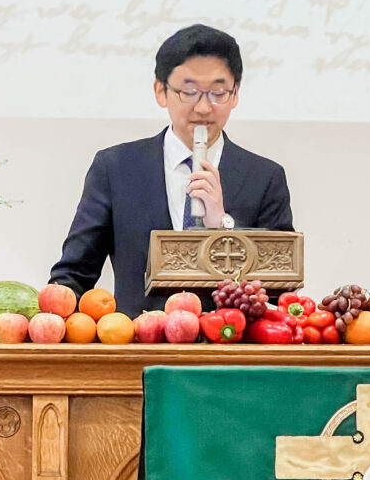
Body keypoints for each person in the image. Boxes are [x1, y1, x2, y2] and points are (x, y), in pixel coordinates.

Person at [49, 24, 294, 317]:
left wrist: (224, 226)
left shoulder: (264, 177)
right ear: (161, 91)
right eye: (189, 92)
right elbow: (74, 275)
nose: (203, 108)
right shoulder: (115, 168)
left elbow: (281, 293)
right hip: (138, 340)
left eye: (218, 92)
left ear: (235, 94)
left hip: (231, 342)